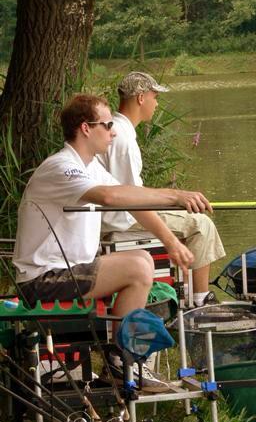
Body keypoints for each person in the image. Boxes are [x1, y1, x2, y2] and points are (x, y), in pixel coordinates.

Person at [12, 93, 212, 392]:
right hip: (43, 278)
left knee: (143, 260)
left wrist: (170, 241)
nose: (113, 131)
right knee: (138, 267)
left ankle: (122, 361)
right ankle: (121, 362)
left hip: (70, 271)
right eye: (107, 125)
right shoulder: (61, 167)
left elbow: (129, 199)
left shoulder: (90, 167)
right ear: (85, 128)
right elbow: (109, 197)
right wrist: (175, 196)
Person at [98, 71, 226, 306]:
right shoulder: (122, 138)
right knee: (202, 224)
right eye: (154, 96)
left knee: (190, 216)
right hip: (120, 219)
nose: (156, 103)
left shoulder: (118, 130)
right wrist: (174, 199)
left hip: (119, 213)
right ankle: (200, 300)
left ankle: (185, 294)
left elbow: (131, 190)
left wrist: (173, 199)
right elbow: (130, 197)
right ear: (140, 98)